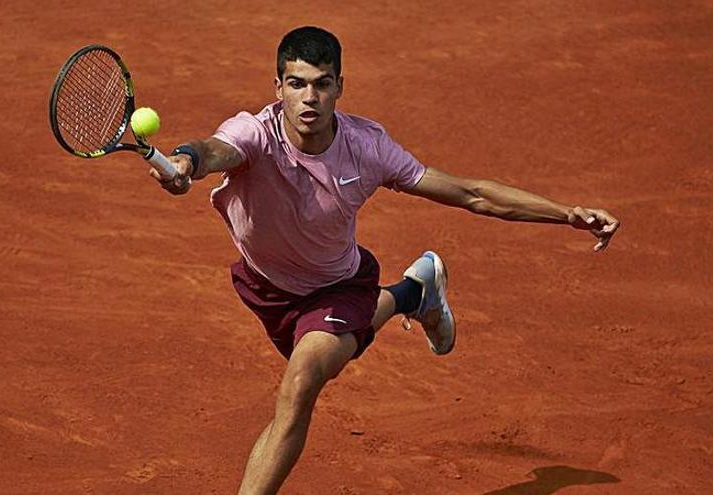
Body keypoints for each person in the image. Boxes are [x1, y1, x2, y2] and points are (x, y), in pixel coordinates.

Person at [151, 26, 619, 494]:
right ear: (278, 89)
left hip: (338, 288)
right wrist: (187, 161)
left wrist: (566, 215)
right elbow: (214, 149)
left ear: (340, 87)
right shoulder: (255, 133)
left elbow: (472, 194)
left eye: (322, 83)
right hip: (267, 288)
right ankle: (411, 292)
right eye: (296, 84)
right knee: (324, 352)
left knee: (300, 383)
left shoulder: (367, 148)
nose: (309, 97)